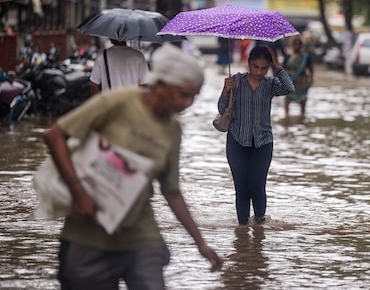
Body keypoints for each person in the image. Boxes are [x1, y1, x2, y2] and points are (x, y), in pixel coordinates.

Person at [44, 43, 223, 289]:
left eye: (194, 96)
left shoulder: (172, 129)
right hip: (89, 228)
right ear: (160, 85)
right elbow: (55, 136)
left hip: (140, 232)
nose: (189, 103)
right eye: (183, 94)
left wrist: (201, 243)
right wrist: (78, 193)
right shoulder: (117, 102)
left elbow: (171, 190)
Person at [217, 45, 294, 225]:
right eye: (255, 66)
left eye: (264, 68)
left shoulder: (271, 84)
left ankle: (260, 225)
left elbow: (290, 88)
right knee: (241, 187)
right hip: (237, 140)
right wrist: (225, 90)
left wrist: (277, 65)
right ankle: (242, 229)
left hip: (263, 142)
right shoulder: (236, 81)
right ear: (248, 63)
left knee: (258, 186)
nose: (259, 72)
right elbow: (222, 109)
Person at [283, 37, 314, 121]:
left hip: (302, 82)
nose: (297, 46)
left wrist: (311, 79)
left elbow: (310, 69)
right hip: (290, 81)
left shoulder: (305, 57)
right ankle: (287, 117)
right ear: (292, 45)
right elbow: (283, 68)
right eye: (295, 44)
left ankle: (302, 117)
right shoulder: (288, 56)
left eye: (299, 44)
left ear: (301, 45)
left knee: (302, 101)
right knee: (287, 100)